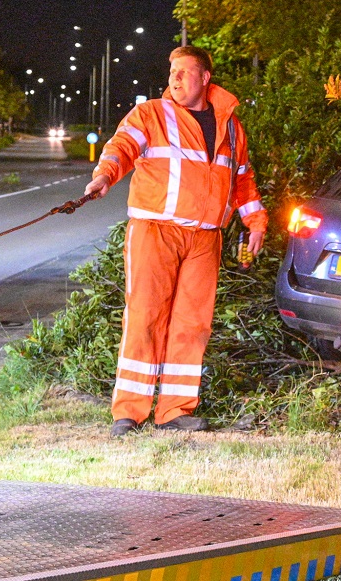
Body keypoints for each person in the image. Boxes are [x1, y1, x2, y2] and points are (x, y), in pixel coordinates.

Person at [84, 46, 268, 437]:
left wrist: (255, 221)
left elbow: (242, 179)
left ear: (205, 78)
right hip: (156, 231)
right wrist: (104, 176)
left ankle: (174, 411)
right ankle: (129, 412)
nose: (175, 79)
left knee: (192, 324)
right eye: (172, 72)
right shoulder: (151, 113)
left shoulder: (230, 127)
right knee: (145, 317)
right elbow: (121, 147)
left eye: (184, 71)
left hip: (205, 239)